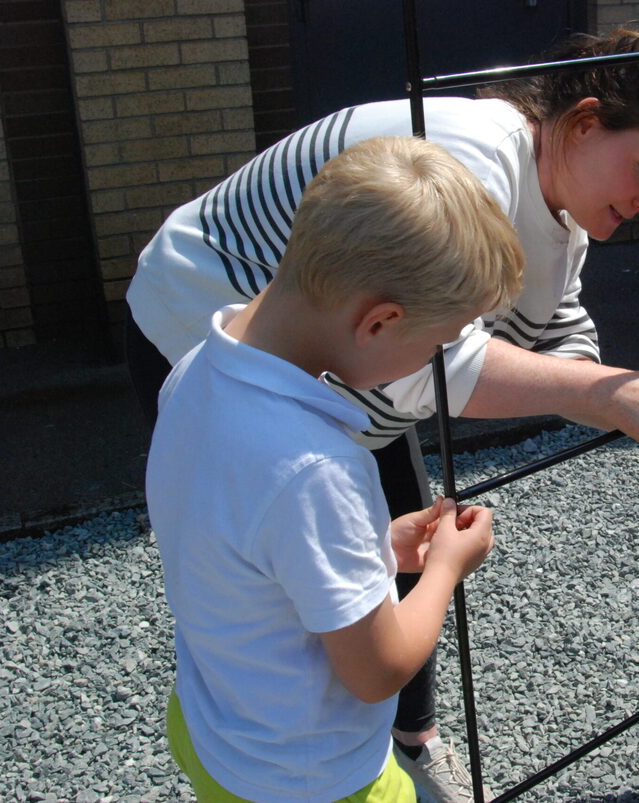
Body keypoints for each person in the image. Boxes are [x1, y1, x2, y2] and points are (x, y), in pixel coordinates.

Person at [124, 26, 639, 801]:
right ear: (583, 124)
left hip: (294, 360)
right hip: (200, 311)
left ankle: (367, 732)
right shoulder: (460, 175)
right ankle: (316, 732)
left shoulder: (557, 199)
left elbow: (541, 328)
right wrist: (594, 394)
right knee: (314, 557)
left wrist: (610, 387)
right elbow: (435, 373)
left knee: (338, 551)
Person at [148, 136, 523, 801]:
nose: (432, 361)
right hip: (313, 777)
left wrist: (377, 551)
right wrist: (443, 569)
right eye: (437, 344)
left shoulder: (194, 372)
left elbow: (248, 546)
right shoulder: (318, 466)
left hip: (215, 730)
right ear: (379, 322)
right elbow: (377, 671)